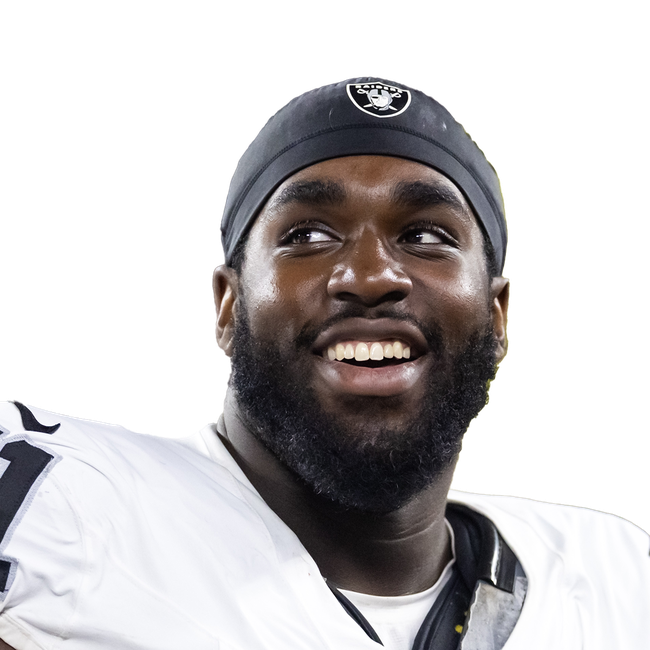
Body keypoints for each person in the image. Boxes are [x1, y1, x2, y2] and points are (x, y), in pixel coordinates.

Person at [0, 77, 648, 649]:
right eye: (307, 234)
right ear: (227, 307)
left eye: (425, 235)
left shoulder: (615, 574)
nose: (370, 275)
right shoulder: (67, 504)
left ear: (498, 315)